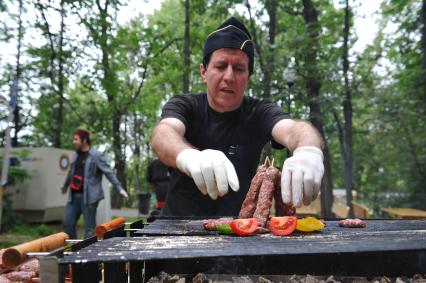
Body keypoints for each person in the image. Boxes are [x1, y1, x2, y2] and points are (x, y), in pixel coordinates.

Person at [151, 17, 324, 217]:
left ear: (248, 76)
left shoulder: (260, 112)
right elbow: (164, 133)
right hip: (176, 228)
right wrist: (188, 156)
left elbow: (295, 129)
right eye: (220, 66)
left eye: (239, 68)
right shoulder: (185, 105)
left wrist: (308, 150)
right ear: (204, 71)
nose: (229, 77)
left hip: (240, 232)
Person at [61, 129, 129, 238]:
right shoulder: (75, 155)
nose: (74, 142)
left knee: (89, 228)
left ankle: (86, 252)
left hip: (89, 197)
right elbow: (71, 172)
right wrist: (65, 186)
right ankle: (73, 250)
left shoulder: (96, 155)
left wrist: (119, 188)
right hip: (73, 196)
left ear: (84, 140)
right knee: (68, 223)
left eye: (76, 139)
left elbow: (108, 172)